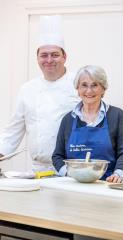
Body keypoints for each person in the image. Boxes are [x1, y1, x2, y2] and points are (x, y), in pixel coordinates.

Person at [0, 15, 79, 172]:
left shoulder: (80, 84)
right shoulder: (27, 89)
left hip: (72, 169)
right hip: (38, 169)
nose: (49, 60)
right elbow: (14, 129)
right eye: (44, 55)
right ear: (37, 58)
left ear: (65, 57)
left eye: (55, 54)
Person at [52, 65, 123, 182]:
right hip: (74, 185)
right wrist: (68, 174)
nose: (89, 91)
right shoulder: (68, 119)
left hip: (106, 184)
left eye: (94, 85)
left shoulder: (116, 115)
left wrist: (118, 174)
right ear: (77, 89)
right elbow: (57, 156)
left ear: (103, 89)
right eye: (84, 85)